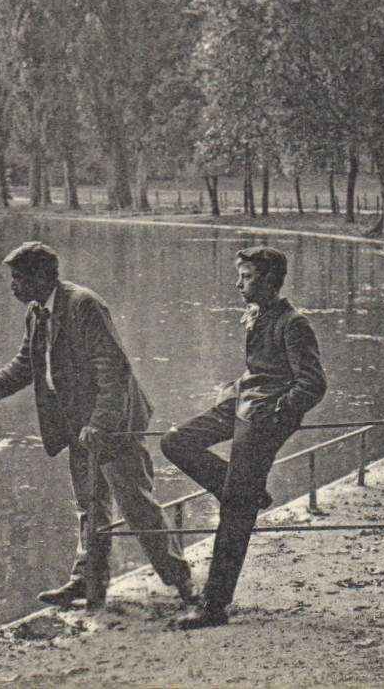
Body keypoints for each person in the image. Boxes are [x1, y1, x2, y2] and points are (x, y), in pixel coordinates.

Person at [0, 241, 196, 610]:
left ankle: (182, 582)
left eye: (19, 278)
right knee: (89, 505)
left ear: (43, 276)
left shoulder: (83, 306)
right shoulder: (36, 312)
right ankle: (86, 582)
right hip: (78, 425)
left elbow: (115, 369)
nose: (13, 286)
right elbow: (25, 365)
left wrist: (101, 424)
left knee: (134, 503)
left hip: (113, 422)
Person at [161, 246, 327, 629]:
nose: (238, 284)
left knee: (234, 512)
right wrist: (233, 389)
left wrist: (277, 414)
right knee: (175, 442)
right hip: (241, 405)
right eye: (240, 276)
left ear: (269, 281)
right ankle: (247, 491)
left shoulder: (293, 323)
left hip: (263, 419)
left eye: (247, 277)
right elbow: (261, 371)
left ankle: (213, 605)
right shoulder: (258, 316)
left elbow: (313, 385)